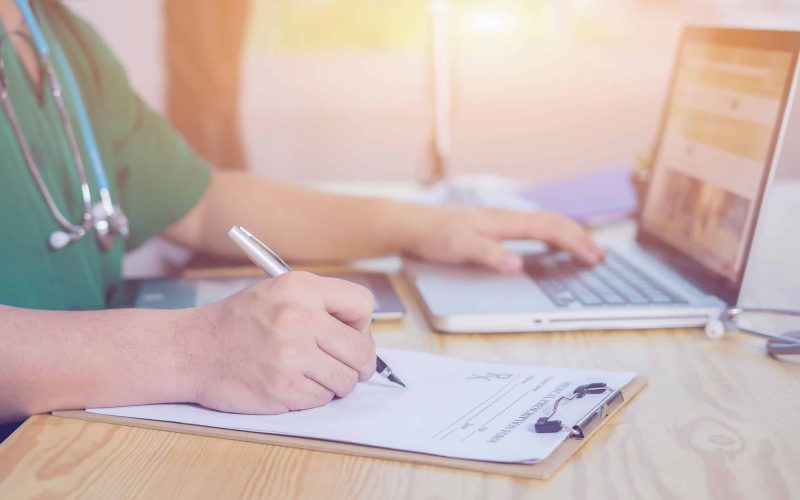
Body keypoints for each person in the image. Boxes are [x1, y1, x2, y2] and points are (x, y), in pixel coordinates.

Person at [0, 0, 603, 428]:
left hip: (75, 433)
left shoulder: (54, 31)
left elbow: (198, 200)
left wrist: (423, 225)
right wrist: (195, 351)